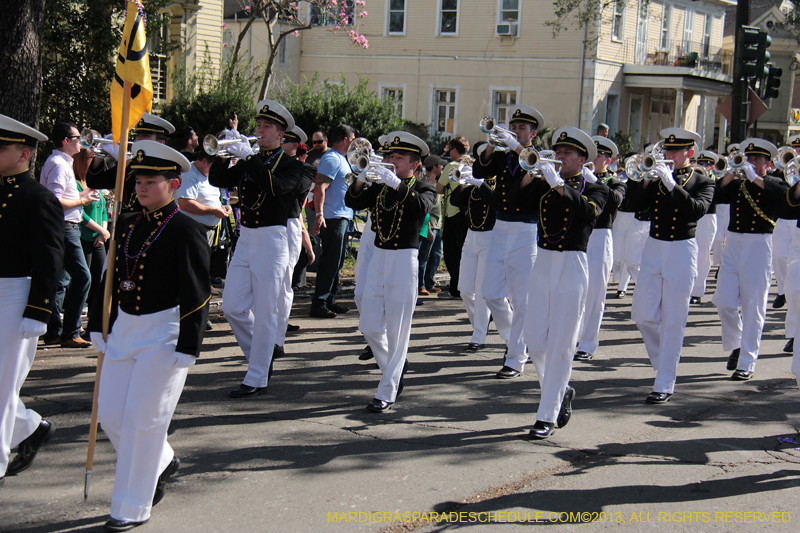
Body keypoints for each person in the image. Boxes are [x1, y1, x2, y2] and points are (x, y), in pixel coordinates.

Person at [87, 141, 210, 532]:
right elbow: (107, 280)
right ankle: (161, 461)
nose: (140, 187)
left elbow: (196, 292)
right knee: (111, 415)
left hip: (163, 331)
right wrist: (97, 323)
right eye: (138, 180)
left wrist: (189, 344)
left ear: (173, 184)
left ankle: (130, 506)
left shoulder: (186, 230)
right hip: (125, 327)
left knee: (144, 421)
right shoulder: (127, 222)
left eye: (150, 181)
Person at [208, 99, 304, 398]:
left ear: (280, 135)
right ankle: (260, 359)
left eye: (266, 128)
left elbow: (274, 187)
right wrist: (226, 152)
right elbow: (217, 179)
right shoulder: (250, 160)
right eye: (258, 126)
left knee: (265, 311)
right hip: (246, 236)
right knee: (233, 307)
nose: (259, 131)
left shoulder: (296, 167)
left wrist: (248, 157)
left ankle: (257, 375)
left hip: (273, 239)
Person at [516, 127, 608, 439]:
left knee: (562, 342)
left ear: (583, 159)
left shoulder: (596, 189)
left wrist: (557, 185)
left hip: (572, 263)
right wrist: (531, 167)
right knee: (537, 340)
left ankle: (547, 414)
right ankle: (560, 389)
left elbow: (587, 212)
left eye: (567, 153)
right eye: (558, 151)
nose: (560, 156)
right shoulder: (545, 183)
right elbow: (519, 197)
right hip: (543, 261)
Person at [345, 131, 436, 412]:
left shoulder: (423, 187)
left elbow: (421, 208)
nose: (390, 161)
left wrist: (396, 183)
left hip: (403, 261)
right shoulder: (381, 187)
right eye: (388, 156)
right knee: (369, 325)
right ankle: (394, 372)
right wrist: (362, 174)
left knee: (398, 330)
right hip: (379, 259)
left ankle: (386, 391)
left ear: (414, 164)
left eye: (398, 157)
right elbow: (353, 201)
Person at [627, 128, 714, 403]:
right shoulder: (656, 177)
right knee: (643, 315)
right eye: (667, 150)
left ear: (689, 153)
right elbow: (633, 204)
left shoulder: (703, 180)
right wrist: (643, 179)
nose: (669, 155)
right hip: (654, 245)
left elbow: (696, 210)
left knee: (674, 320)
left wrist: (672, 184)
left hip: (681, 249)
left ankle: (664, 381)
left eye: (675, 151)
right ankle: (662, 360)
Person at [0, 114, 63, 484]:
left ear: (24, 154)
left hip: (16, 294)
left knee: (3, 385)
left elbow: (50, 258)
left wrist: (39, 309)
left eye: (3, 147)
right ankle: (29, 427)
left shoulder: (39, 197)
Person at [473, 105, 545, 379]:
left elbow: (532, 163)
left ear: (533, 134)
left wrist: (515, 145)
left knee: (522, 298)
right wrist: (491, 146)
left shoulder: (540, 156)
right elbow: (480, 173)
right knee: (491, 292)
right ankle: (516, 336)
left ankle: (516, 357)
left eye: (521, 128)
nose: (515, 131)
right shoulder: (503, 157)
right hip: (500, 226)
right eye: (513, 127)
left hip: (526, 230)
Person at [713, 138, 788, 381]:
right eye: (749, 158)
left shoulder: (774, 182)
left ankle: (747, 361)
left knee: (753, 306)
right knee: (724, 302)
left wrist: (754, 177)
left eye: (757, 159)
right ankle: (736, 343)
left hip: (758, 245)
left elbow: (783, 196)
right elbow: (716, 195)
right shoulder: (738, 183)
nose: (752, 163)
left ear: (768, 163)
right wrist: (732, 172)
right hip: (733, 244)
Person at [40, 122, 98, 348]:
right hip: (64, 227)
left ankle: (54, 331)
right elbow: (54, 201)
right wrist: (82, 200)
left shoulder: (61, 163)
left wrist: (83, 194)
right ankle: (70, 332)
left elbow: (59, 195)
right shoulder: (59, 164)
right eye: (76, 138)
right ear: (65, 140)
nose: (80, 142)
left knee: (60, 281)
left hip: (64, 227)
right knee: (83, 277)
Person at [450, 160, 510, 351]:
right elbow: (454, 201)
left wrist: (479, 183)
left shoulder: (498, 183)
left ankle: (479, 334)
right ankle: (480, 324)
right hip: (471, 237)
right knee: (465, 289)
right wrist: (462, 181)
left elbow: (495, 202)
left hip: (490, 238)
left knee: (482, 289)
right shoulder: (472, 186)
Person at [575, 136, 626, 361]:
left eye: (600, 156)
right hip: (577, 235)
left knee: (595, 293)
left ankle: (587, 343)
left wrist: (594, 181)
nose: (595, 160)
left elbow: (615, 201)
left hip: (600, 236)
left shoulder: (616, 181)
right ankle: (571, 337)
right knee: (574, 291)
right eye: (592, 155)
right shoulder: (576, 179)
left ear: (608, 159)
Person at [275, 126, 315, 355]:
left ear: (292, 146)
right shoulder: (266, 163)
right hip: (260, 228)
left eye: (285, 142)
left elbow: (291, 193)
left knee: (283, 285)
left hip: (287, 223)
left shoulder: (305, 169)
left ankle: (277, 338)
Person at [86, 113, 176, 213]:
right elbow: (94, 182)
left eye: (145, 136)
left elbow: (142, 179)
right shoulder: (130, 163)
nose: (139, 139)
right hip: (126, 224)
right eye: (138, 136)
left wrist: (124, 158)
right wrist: (100, 154)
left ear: (161, 143)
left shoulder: (167, 166)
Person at [310, 125, 356, 318]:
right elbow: (320, 187)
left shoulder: (342, 160)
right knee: (329, 261)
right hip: (333, 217)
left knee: (336, 262)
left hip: (342, 216)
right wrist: (319, 214)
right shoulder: (331, 158)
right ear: (346, 140)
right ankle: (319, 302)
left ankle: (330, 299)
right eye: (353, 139)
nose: (355, 143)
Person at [74, 148, 111, 322]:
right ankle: (76, 322)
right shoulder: (75, 183)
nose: (95, 161)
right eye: (92, 158)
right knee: (83, 280)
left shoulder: (94, 181)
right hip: (83, 237)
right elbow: (79, 213)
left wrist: (103, 232)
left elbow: (103, 209)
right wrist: (101, 230)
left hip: (99, 238)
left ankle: (95, 321)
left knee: (100, 278)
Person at [438, 137, 470, 298]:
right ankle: (465, 287)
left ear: (455, 151)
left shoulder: (452, 166)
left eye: (450, 150)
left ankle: (455, 289)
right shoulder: (472, 164)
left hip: (453, 213)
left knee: (452, 253)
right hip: (468, 214)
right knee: (466, 253)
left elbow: (439, 188)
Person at [690, 151, 720, 304]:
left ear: (712, 166)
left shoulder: (715, 181)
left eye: (706, 165)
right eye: (700, 164)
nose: (702, 167)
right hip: (692, 217)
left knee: (703, 254)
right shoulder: (692, 179)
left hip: (708, 218)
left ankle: (697, 290)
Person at [418, 155, 444, 295]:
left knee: (436, 256)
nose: (442, 168)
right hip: (429, 226)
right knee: (424, 256)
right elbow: (425, 208)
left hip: (437, 225)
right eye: (440, 166)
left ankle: (429, 283)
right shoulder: (426, 182)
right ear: (434, 167)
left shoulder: (436, 182)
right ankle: (421, 285)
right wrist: (428, 229)